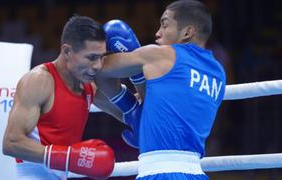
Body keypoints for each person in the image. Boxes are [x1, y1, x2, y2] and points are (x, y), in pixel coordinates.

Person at [97, 0, 226, 179]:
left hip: (159, 172)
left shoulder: (161, 55)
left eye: (165, 25)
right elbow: (177, 106)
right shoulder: (218, 73)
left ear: (187, 32)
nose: (157, 33)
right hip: (196, 173)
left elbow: (95, 68)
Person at [2, 15, 119, 179]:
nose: (98, 66)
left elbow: (125, 112)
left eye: (101, 57)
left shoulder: (88, 86)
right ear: (67, 51)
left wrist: (139, 74)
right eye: (91, 57)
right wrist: (68, 157)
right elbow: (11, 143)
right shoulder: (39, 81)